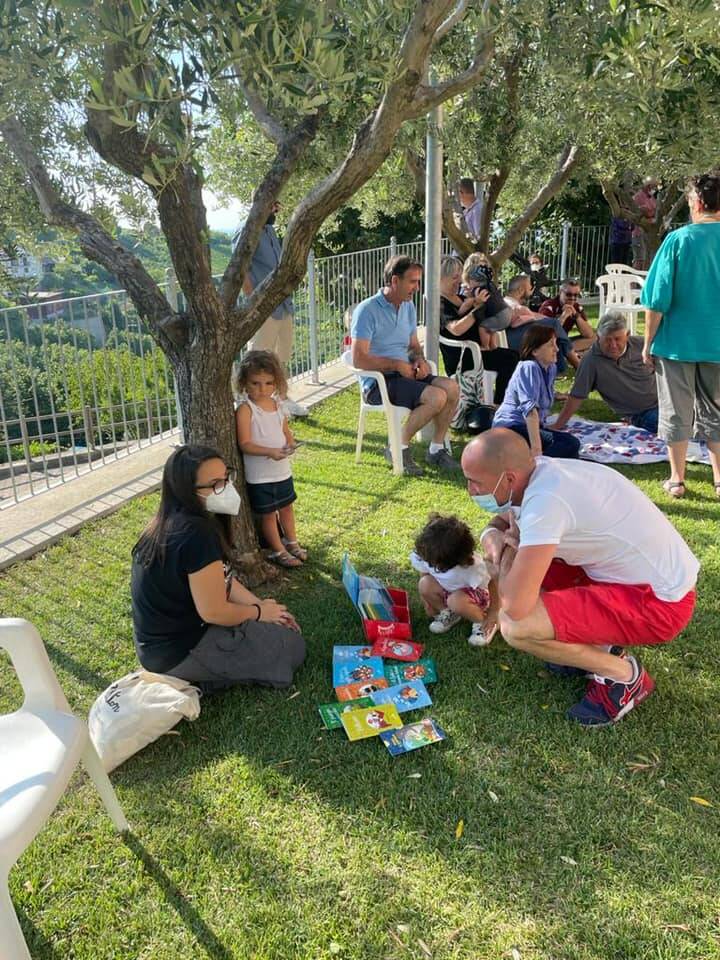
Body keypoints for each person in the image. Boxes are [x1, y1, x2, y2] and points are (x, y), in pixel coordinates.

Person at [461, 429, 698, 726]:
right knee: (532, 571)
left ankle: (624, 678)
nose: (469, 489)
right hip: (644, 582)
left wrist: (505, 555)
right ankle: (595, 647)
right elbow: (502, 523)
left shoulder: (546, 503)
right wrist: (493, 536)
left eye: (475, 482)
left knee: (516, 626)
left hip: (659, 604)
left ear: (508, 478)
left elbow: (516, 607)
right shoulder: (538, 473)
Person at [131, 444, 305, 694]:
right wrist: (258, 613)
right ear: (187, 491)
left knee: (276, 630)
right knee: (291, 648)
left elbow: (223, 580)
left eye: (226, 478)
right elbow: (214, 612)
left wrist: (264, 609)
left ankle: (206, 673)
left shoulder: (175, 521)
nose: (225, 488)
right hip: (179, 651)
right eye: (214, 484)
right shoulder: (195, 534)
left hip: (169, 645)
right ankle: (201, 680)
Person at [640, 170, 720, 498]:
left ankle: (677, 479)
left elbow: (656, 300)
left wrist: (646, 345)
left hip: (676, 344)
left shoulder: (678, 240)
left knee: (676, 411)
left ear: (696, 202)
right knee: (717, 412)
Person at [351, 254, 460, 476]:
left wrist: (418, 359)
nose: (417, 288)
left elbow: (412, 346)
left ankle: (436, 449)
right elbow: (358, 358)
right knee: (436, 397)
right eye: (412, 282)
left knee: (451, 388)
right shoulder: (367, 310)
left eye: (418, 282)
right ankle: (397, 447)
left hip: (405, 374)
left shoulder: (408, 307)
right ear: (394, 281)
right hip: (378, 382)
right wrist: (395, 365)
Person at [233, 198, 308, 417]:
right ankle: (246, 404)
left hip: (283, 303)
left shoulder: (268, 230)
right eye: (273, 204)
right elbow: (240, 267)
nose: (277, 208)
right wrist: (254, 300)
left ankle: (281, 400)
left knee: (281, 355)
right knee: (256, 356)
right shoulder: (247, 230)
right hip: (263, 305)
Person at [234, 350, 307, 568]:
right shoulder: (246, 410)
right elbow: (245, 443)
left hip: (282, 470)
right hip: (260, 475)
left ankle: (292, 542)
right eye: (255, 383)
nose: (262, 389)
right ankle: (278, 550)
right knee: (267, 514)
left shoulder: (278, 406)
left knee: (287, 507)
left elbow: (285, 431)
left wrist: (290, 444)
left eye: (268, 383)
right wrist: (270, 452)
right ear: (244, 383)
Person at [553, 310, 659, 433]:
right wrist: (558, 425)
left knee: (682, 418)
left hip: (665, 402)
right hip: (639, 414)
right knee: (670, 425)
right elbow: (576, 395)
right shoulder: (591, 361)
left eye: (617, 339)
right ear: (598, 338)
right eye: (608, 340)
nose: (613, 345)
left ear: (628, 335)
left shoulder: (642, 345)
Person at [438, 255, 519, 404]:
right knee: (509, 359)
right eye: (454, 278)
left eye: (459, 277)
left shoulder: (462, 298)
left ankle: (503, 401)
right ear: (441, 278)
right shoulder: (440, 303)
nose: (459, 282)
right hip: (463, 356)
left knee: (514, 355)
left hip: (479, 350)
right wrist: (478, 308)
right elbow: (456, 329)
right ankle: (500, 403)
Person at [492, 325, 581, 458]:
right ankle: (534, 465)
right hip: (511, 427)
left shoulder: (550, 368)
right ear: (534, 351)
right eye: (551, 345)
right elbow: (530, 411)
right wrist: (536, 450)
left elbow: (541, 396)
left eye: (556, 344)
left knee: (572, 450)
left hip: (529, 426)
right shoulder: (528, 367)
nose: (556, 349)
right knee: (569, 444)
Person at [410, 513, 497, 647]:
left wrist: (493, 612)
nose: (430, 565)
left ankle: (483, 622)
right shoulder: (426, 553)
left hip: (477, 596)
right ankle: (449, 612)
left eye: (435, 564)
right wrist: (426, 600)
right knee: (425, 584)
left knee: (456, 600)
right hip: (449, 590)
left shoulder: (472, 568)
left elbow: (493, 584)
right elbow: (424, 573)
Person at [503, 274, 578, 372]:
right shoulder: (515, 307)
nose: (532, 290)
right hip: (512, 342)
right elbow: (534, 318)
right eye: (530, 287)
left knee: (555, 334)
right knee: (553, 327)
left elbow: (535, 317)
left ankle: (562, 367)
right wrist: (560, 320)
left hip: (513, 338)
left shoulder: (509, 303)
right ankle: (576, 364)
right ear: (521, 290)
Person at [539, 279, 596, 356]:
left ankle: (567, 352)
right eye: (568, 294)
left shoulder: (576, 307)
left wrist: (576, 316)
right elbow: (546, 334)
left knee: (595, 338)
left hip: (564, 342)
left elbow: (589, 334)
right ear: (560, 293)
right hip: (548, 342)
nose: (572, 298)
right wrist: (564, 316)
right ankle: (572, 353)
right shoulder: (549, 306)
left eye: (576, 295)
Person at [461, 253, 512, 333]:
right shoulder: (465, 290)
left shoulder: (485, 288)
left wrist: (476, 302)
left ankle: (489, 345)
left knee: (486, 327)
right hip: (472, 329)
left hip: (493, 320)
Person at [632, 177, 658, 270]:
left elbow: (654, 211)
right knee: (639, 259)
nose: (655, 188)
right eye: (654, 186)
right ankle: (634, 283)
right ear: (648, 186)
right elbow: (641, 212)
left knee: (647, 259)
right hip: (639, 232)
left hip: (650, 232)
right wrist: (649, 212)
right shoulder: (638, 197)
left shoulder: (651, 197)